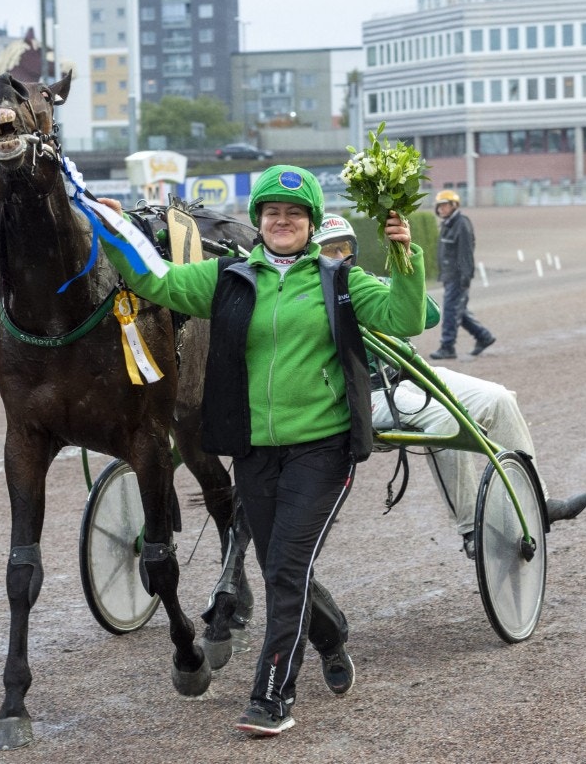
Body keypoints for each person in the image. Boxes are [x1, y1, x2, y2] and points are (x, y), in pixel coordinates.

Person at [96, 165, 427, 737]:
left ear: (311, 224)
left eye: (295, 214)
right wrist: (114, 229)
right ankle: (329, 634)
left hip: (322, 453)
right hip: (254, 453)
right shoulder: (226, 278)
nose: (282, 220)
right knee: (282, 571)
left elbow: (407, 317)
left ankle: (272, 697)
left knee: (283, 568)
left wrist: (404, 258)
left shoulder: (338, 280)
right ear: (259, 222)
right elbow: (157, 282)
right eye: (272, 212)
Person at [312, 216, 586, 559]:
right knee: (444, 419)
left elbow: (429, 315)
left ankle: (538, 501)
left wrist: (397, 278)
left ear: (353, 251)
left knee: (500, 399)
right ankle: (472, 529)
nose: (337, 256)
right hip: (365, 395)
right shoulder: (314, 297)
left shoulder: (365, 282)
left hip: (410, 375)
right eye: (328, 250)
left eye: (343, 248)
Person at [430, 189, 495, 360]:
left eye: (444, 205)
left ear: (454, 205)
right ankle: (484, 337)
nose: (441, 209)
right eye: (439, 206)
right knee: (459, 310)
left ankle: (447, 347)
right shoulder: (448, 223)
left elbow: (465, 253)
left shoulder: (461, 224)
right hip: (449, 275)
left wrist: (465, 277)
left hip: (458, 277)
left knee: (451, 310)